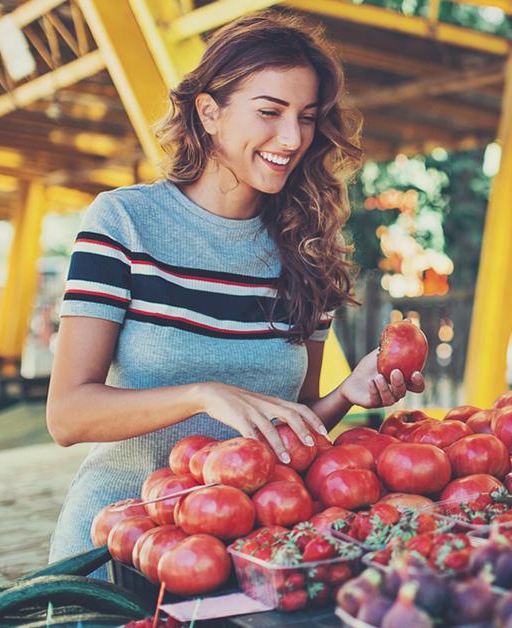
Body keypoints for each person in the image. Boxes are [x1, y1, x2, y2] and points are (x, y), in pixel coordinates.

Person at [44, 12, 421, 571]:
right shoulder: (124, 222)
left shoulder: (307, 249)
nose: (291, 138)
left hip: (249, 561)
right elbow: (68, 415)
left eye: (307, 118)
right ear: (209, 112)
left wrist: (347, 394)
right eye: (269, 112)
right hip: (117, 548)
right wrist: (203, 394)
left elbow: (290, 427)